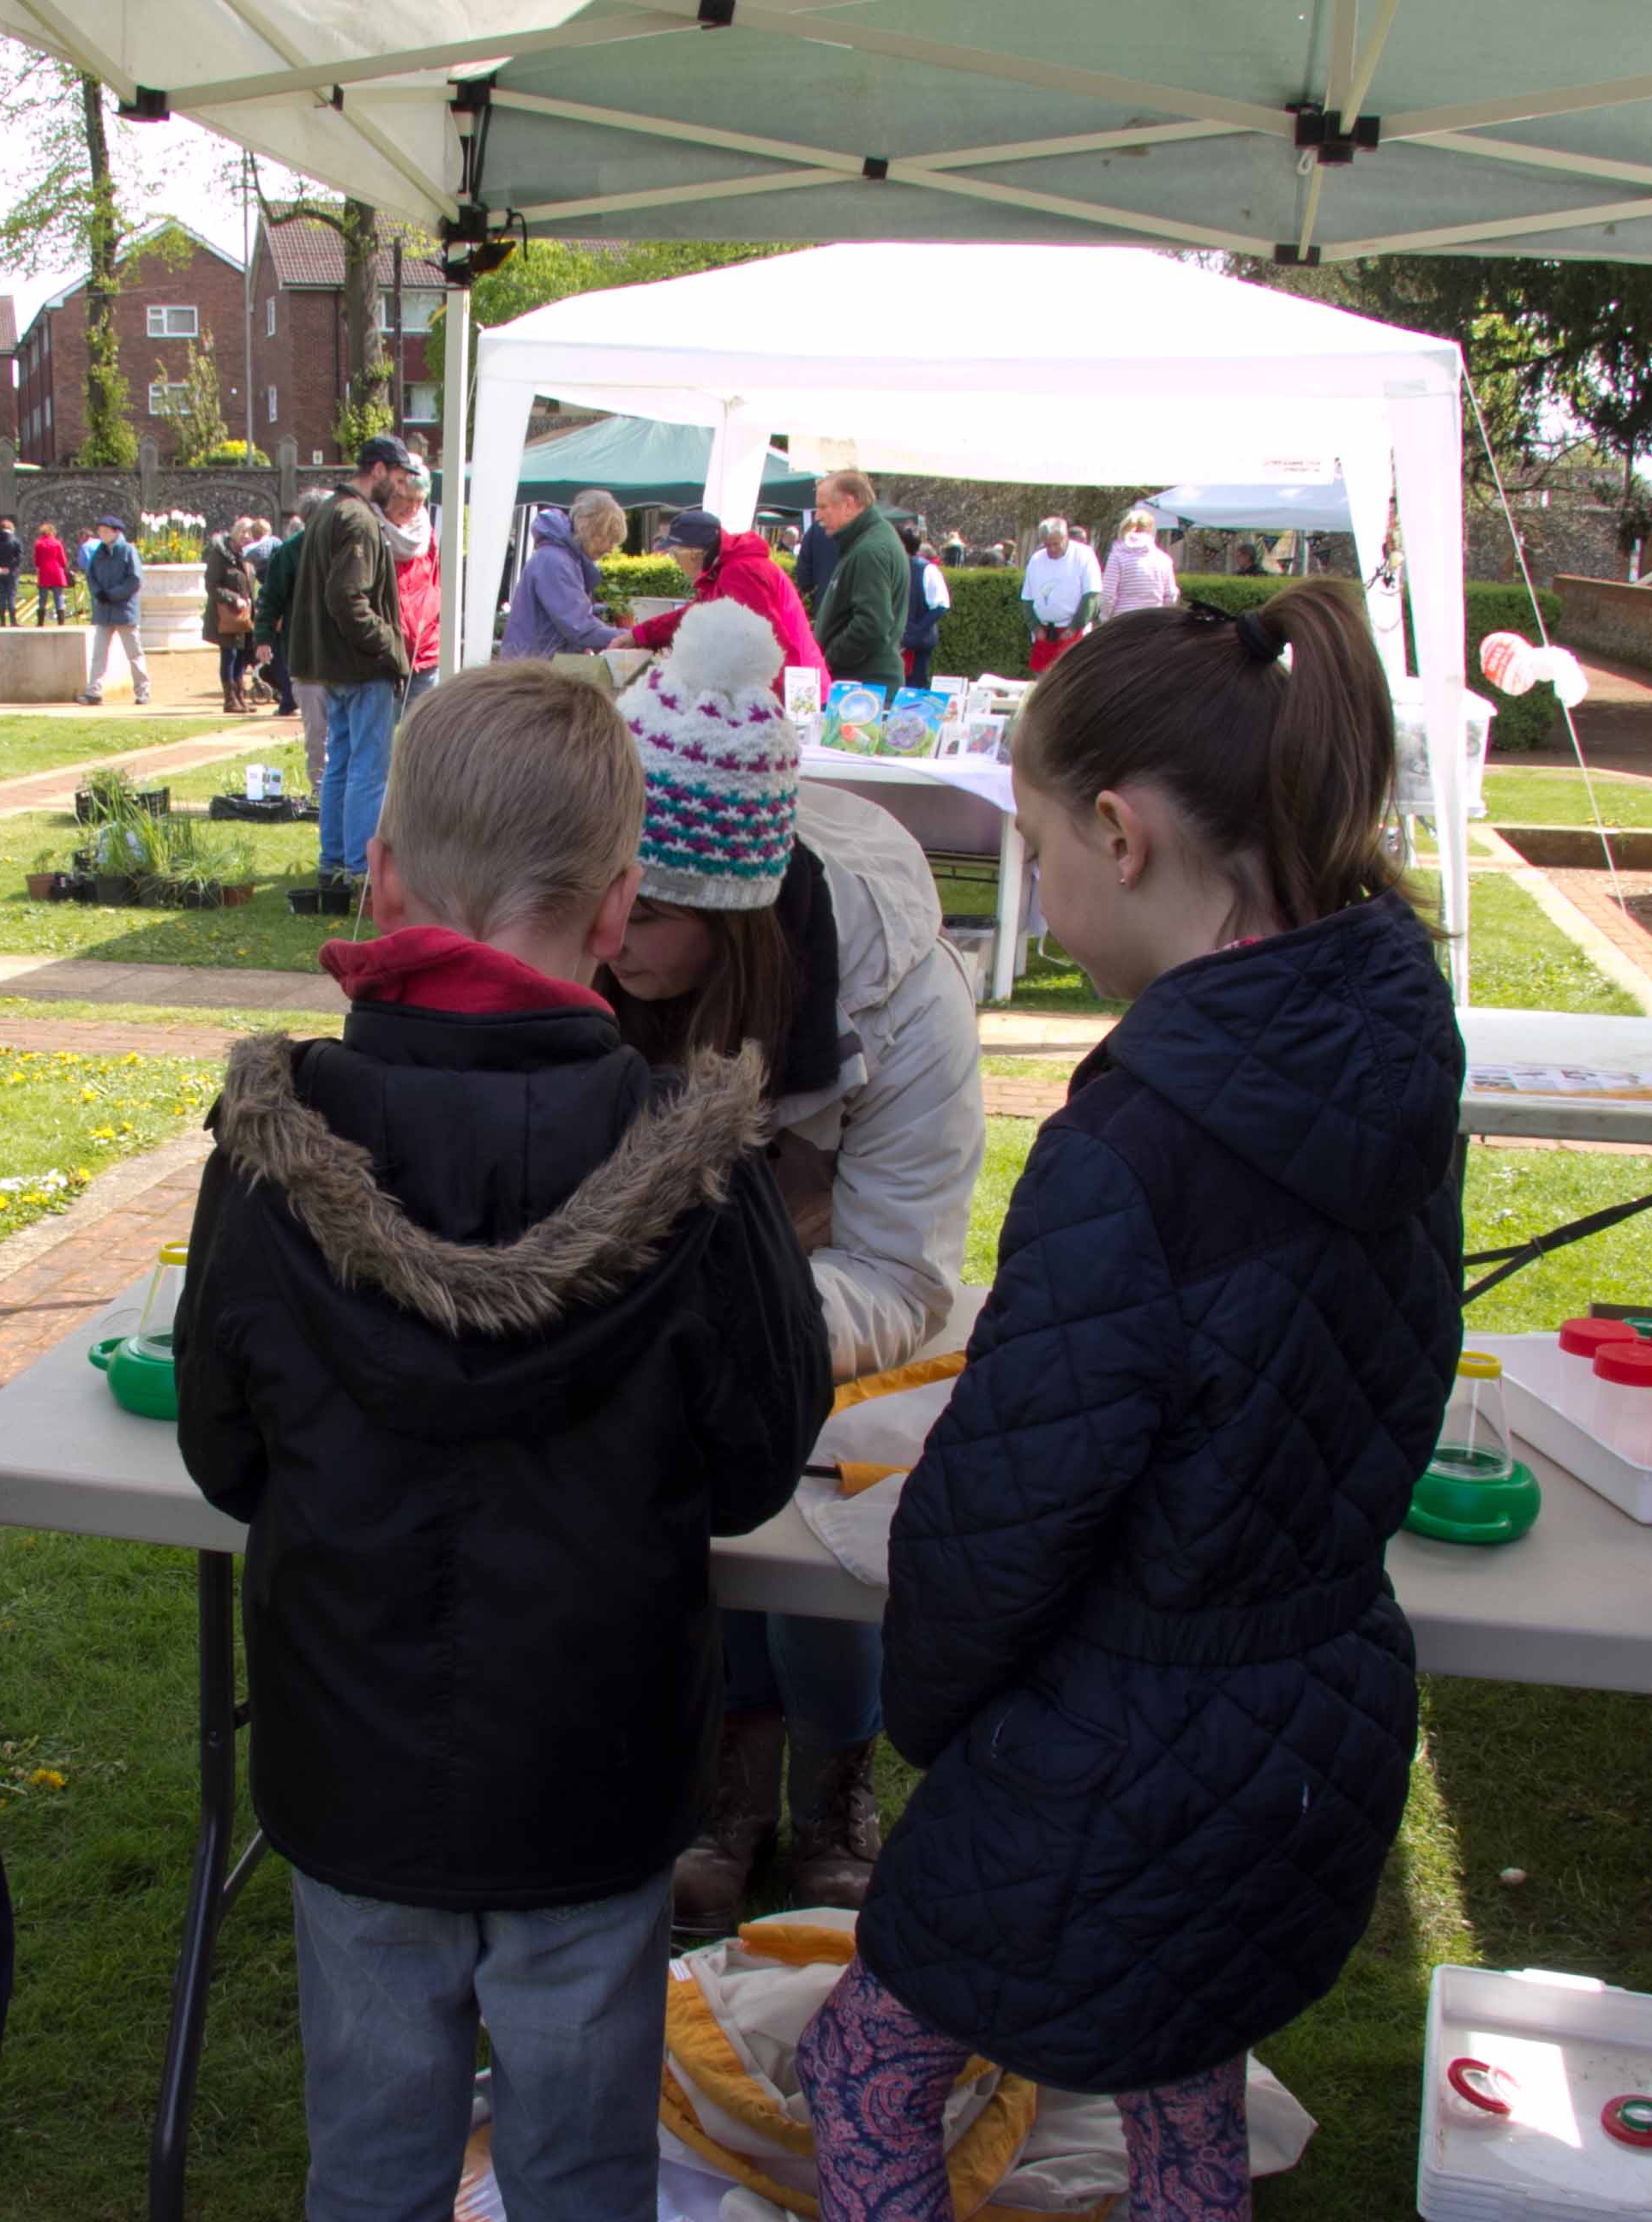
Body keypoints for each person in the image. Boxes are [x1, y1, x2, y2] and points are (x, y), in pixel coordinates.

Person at [796, 581, 1463, 2222]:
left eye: (1030, 844)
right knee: (1179, 2075)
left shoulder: (1139, 1135)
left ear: (1119, 831)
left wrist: (928, 1710)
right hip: (1310, 1718)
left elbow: (1006, 1514)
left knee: (865, 2069)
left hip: (1124, 1743)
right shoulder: (1384, 1039)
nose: (1034, 884)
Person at [176, 650, 832, 2221]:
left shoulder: (272, 1152)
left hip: (356, 1755)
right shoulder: (695, 1167)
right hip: (590, 1763)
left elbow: (222, 1449)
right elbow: (754, 1463)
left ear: (383, 872)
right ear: (615, 912)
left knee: (375, 2150)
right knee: (581, 2161)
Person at [601, 603, 984, 1931]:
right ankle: (728, 1781)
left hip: (829, 1322)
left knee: (822, 1540)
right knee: (688, 1545)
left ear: (738, 912)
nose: (613, 934)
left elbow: (901, 1265)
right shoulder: (599, 954)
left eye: (650, 907)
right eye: (604, 894)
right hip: (657, 1324)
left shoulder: (904, 1003)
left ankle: (836, 1782)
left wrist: (730, 1338)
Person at [291, 434, 419, 889]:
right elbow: (346, 598)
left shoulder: (331, 511)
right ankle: (360, 870)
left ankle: (337, 864)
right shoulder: (357, 519)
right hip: (359, 667)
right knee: (367, 770)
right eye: (399, 479)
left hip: (336, 665)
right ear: (379, 470)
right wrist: (390, 647)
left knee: (343, 765)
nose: (402, 491)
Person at [613, 507, 825, 678]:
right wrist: (641, 634)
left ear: (695, 554)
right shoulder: (725, 568)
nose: (676, 563)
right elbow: (694, 615)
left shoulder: (739, 572)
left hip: (795, 686)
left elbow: (766, 641)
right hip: (791, 679)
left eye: (675, 555)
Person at [808, 468, 908, 689]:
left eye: (823, 507)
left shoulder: (869, 551)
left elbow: (872, 625)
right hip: (864, 685)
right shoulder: (868, 542)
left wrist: (826, 661)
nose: (818, 516)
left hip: (863, 689)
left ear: (848, 505)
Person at [498, 490, 626, 661]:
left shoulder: (561, 558)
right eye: (608, 539)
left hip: (534, 667)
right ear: (587, 528)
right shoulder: (556, 562)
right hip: (534, 673)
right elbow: (579, 627)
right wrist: (632, 637)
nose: (610, 549)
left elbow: (565, 613)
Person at [252, 489, 324, 734]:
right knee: (317, 731)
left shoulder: (343, 544)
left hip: (340, 652)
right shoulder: (290, 552)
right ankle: (318, 772)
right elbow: (270, 598)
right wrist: (263, 638)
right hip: (304, 646)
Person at [384, 461, 443, 711]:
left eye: (420, 501)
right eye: (407, 499)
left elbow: (435, 582)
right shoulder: (372, 530)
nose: (413, 508)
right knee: (380, 742)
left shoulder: (425, 534)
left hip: (426, 652)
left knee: (425, 737)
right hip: (383, 657)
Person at [76, 514, 149, 706]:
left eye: (105, 531)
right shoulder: (98, 552)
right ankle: (94, 692)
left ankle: (143, 691)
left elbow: (135, 580)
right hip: (104, 610)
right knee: (99, 654)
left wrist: (114, 594)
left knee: (134, 653)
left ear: (117, 532)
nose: (101, 534)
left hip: (124, 610)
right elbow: (90, 576)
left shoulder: (128, 550)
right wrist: (98, 593)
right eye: (100, 531)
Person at [1019, 514, 1104, 675]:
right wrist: (1035, 627)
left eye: (1056, 544)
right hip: (1044, 633)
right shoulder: (1037, 559)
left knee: (1072, 677)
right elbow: (1027, 599)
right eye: (1047, 545)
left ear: (1066, 538)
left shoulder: (1084, 555)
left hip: (1073, 631)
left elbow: (1091, 596)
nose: (1051, 549)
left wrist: (1073, 628)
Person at [201, 523, 258, 714]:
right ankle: (230, 699)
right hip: (225, 616)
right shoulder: (220, 555)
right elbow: (212, 586)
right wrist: (234, 599)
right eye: (243, 532)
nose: (246, 536)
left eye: (250, 533)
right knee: (230, 655)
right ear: (235, 533)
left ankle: (240, 697)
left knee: (242, 656)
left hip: (244, 616)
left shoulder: (246, 556)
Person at [1099, 504, 1183, 622]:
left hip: (1122, 622)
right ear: (1151, 530)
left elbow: (1108, 594)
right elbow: (1171, 595)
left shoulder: (1117, 556)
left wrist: (1105, 617)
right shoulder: (1163, 559)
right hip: (1153, 622)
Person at [899, 525, 949, 692]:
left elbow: (941, 604)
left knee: (914, 692)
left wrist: (912, 633)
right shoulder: (890, 567)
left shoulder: (926, 569)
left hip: (917, 643)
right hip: (893, 643)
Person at [30, 519, 71, 623]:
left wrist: (39, 566)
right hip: (56, 571)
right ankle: (61, 621)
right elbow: (62, 559)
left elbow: (37, 560)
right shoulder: (57, 543)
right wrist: (65, 567)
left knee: (42, 597)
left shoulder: (38, 544)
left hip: (44, 571)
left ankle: (40, 621)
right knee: (58, 596)